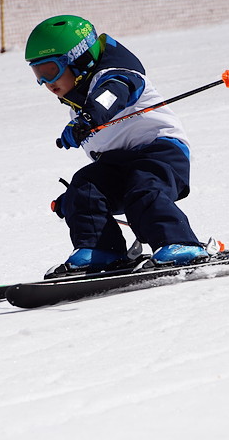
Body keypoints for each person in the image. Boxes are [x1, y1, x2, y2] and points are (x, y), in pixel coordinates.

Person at [25, 15, 208, 272]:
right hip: (119, 164)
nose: (46, 82)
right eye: (38, 73)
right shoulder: (79, 101)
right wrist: (77, 201)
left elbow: (111, 96)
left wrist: (88, 119)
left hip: (161, 152)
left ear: (79, 60)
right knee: (84, 187)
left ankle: (179, 244)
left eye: (50, 71)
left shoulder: (117, 75)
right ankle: (102, 251)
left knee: (144, 187)